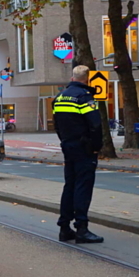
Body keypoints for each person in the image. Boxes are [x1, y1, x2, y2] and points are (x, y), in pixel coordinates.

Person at [53, 65, 104, 244]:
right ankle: (82, 228)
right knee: (83, 187)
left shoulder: (59, 97)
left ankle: (64, 227)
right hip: (84, 148)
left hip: (68, 145)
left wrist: (64, 140)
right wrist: (96, 146)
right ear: (87, 79)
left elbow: (57, 124)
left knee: (70, 186)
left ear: (73, 77)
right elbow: (95, 125)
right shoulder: (84, 97)